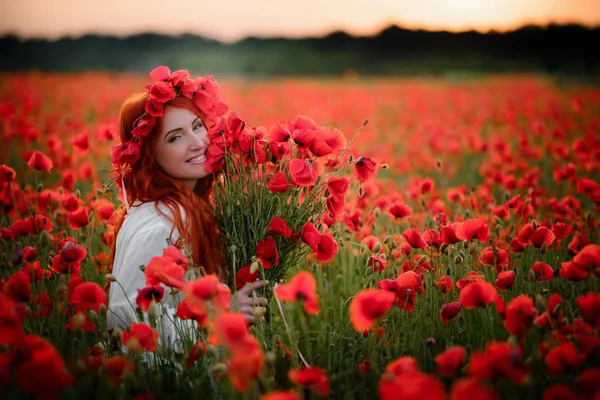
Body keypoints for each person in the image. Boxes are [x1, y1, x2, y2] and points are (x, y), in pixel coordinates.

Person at [106, 67, 269, 352]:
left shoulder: (186, 207)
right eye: (175, 137)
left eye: (196, 126)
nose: (198, 143)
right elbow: (124, 320)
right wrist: (220, 311)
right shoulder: (162, 223)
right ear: (149, 156)